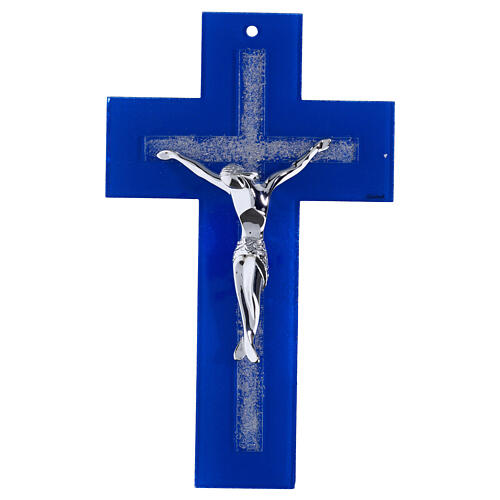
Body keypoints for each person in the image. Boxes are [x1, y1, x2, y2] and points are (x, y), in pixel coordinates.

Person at [157, 138, 331, 362]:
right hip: (240, 249)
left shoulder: (266, 187)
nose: (230, 186)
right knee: (243, 297)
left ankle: (247, 339)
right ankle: (247, 340)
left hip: (258, 251)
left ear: (241, 178)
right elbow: (202, 173)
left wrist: (314, 150)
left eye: (232, 182)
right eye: (228, 183)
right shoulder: (233, 191)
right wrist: (177, 156)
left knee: (252, 294)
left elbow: (295, 167)